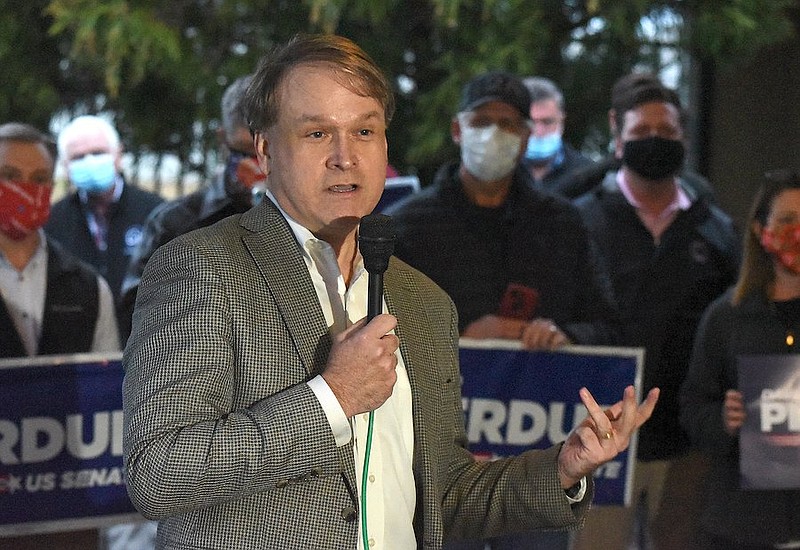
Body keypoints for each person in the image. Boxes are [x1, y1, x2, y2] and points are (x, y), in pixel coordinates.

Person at [122, 34, 659, 549]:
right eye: (316, 133)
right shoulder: (199, 268)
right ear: (264, 150)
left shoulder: (423, 301)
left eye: (364, 132)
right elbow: (159, 474)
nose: (344, 156)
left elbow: (443, 497)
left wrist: (563, 468)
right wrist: (332, 397)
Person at [572, 72, 741, 550]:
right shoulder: (580, 220)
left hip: (685, 441)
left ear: (684, 137)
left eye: (666, 134)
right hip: (598, 433)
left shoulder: (717, 230)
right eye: (641, 133)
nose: (655, 143)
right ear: (616, 132)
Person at [386, 71, 619, 354]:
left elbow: (607, 326)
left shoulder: (562, 225)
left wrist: (564, 335)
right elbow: (380, 329)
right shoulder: (408, 227)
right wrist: (460, 339)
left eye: (507, 123)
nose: (493, 134)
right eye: (481, 122)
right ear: (458, 130)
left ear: (525, 138)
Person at [0, 122, 119, 548]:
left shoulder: (88, 287)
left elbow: (106, 398)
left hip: (67, 519)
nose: (25, 190)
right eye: (9, 178)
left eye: (38, 180)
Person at [679, 169, 800, 549]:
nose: (797, 232)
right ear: (760, 231)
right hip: (745, 523)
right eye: (787, 221)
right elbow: (693, 407)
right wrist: (723, 419)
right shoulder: (726, 316)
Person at [118, 74, 265, 342]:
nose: (256, 165)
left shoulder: (308, 217)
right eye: (244, 151)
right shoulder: (175, 223)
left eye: (266, 152)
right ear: (223, 140)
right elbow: (134, 313)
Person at [45, 115, 163, 308]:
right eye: (78, 157)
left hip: (141, 330)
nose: (90, 162)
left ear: (118, 155)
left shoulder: (155, 212)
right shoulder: (53, 220)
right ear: (66, 167)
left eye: (98, 152)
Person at [521, 76, 595, 198]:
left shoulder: (586, 175)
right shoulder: (497, 172)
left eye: (547, 122)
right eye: (531, 123)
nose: (538, 131)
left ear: (562, 121)